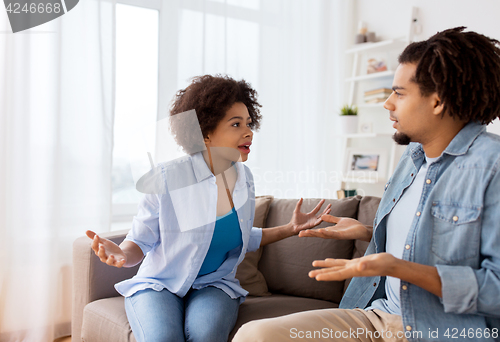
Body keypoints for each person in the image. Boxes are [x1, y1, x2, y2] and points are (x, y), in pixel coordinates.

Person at [233, 27, 500, 342]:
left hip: (441, 330)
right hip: (376, 316)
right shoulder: (412, 159)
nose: (388, 103)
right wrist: (366, 232)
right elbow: (424, 239)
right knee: (257, 335)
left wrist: (399, 268)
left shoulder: (491, 166)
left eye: (399, 93)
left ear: (438, 101)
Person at [85, 75, 331, 342]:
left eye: (249, 123)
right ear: (205, 133)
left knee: (207, 335)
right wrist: (120, 254)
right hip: (160, 284)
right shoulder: (166, 178)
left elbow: (243, 236)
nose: (248, 132)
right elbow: (140, 242)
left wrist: (291, 228)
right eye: (235, 124)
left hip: (214, 285)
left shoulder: (244, 178)